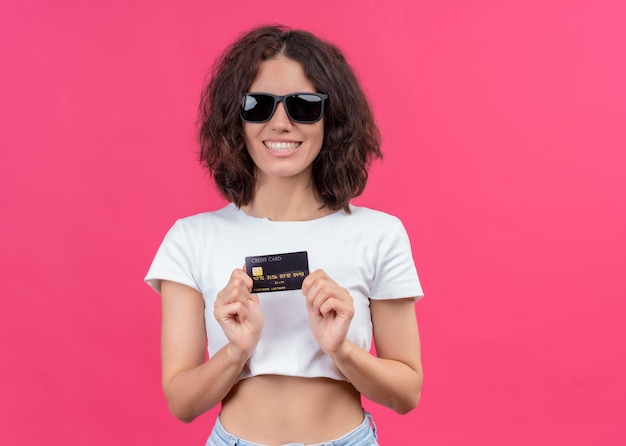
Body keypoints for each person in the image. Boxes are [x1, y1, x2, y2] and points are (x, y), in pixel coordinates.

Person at [145, 24, 424, 446]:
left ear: (332, 119)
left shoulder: (379, 234)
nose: (280, 123)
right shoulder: (191, 239)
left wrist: (342, 349)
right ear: (234, 119)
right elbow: (182, 404)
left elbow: (407, 394)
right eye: (257, 106)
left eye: (304, 106)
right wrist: (236, 352)